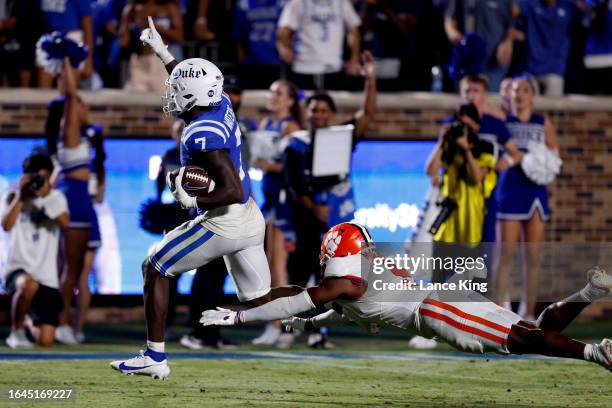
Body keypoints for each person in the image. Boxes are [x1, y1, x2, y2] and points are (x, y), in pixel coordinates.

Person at [110, 18, 290, 379]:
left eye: (176, 90)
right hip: (249, 217)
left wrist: (191, 202)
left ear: (191, 96)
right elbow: (190, 78)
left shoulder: (201, 133)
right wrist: (163, 53)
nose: (171, 92)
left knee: (154, 266)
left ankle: (155, 357)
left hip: (226, 220)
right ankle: (329, 299)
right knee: (260, 299)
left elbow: (232, 190)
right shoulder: (219, 101)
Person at [201, 222, 612, 374]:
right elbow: (310, 301)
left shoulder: (344, 280)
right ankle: (589, 292)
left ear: (331, 253)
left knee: (523, 341)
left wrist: (241, 318)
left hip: (439, 310)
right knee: (531, 332)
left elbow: (300, 300)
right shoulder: (352, 282)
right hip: (445, 298)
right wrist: (275, 312)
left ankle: (599, 354)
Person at [496, 75, 560, 320]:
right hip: (510, 191)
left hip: (535, 193)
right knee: (505, 255)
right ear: (508, 95)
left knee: (532, 256)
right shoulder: (502, 121)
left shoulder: (543, 123)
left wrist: (534, 162)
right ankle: (500, 313)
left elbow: (554, 161)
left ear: (532, 95)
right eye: (515, 90)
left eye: (524, 90)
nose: (519, 94)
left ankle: (528, 313)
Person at [49, 56, 100, 345]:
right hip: (75, 203)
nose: (85, 108)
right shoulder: (69, 136)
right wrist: (67, 60)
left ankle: (69, 324)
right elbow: (69, 95)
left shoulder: (85, 136)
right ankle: (60, 322)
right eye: (81, 105)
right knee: (69, 270)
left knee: (80, 272)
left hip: (86, 205)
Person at [251, 79, 303, 346]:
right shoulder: (265, 124)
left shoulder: (290, 127)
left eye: (279, 93)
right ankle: (275, 324)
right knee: (269, 264)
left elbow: (290, 168)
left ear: (291, 100)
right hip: (268, 196)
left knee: (279, 265)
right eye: (271, 92)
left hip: (283, 200)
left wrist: (261, 163)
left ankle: (283, 326)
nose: (273, 97)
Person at [2, 153, 69, 348]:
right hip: (18, 270)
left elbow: (65, 222)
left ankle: (29, 321)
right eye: (32, 177)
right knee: (28, 285)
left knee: (45, 341)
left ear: (48, 176)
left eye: (41, 177)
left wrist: (45, 197)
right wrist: (22, 197)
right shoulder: (13, 196)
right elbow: (6, 225)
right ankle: (16, 332)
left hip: (47, 278)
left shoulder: (57, 198)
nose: (37, 181)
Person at [277, 0, 362, 90]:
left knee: (334, 101)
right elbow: (284, 31)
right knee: (302, 100)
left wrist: (354, 58)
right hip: (303, 67)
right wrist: (285, 48)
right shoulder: (299, 3)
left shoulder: (342, 3)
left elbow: (353, 30)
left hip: (333, 67)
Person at [444, 0, 515, 91]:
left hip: (494, 61)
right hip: (467, 62)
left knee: (490, 99)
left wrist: (508, 42)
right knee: (465, 100)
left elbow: (513, 20)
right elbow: (449, 18)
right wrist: (453, 33)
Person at [513, 0, 577, 96]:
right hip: (531, 69)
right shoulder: (530, 3)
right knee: (527, 107)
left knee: (552, 108)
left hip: (555, 69)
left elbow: (587, 16)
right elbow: (513, 11)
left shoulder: (569, 5)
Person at [119, 0, 183, 92]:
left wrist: (157, 28)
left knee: (164, 102)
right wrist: (126, 18)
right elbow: (123, 42)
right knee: (136, 104)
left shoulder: (168, 7)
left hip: (161, 63)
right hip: (139, 63)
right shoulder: (131, 10)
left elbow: (180, 37)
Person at [38, 0, 94, 87]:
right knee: (43, 88)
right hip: (49, 37)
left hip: (71, 37)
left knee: (69, 90)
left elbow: (87, 26)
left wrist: (88, 60)